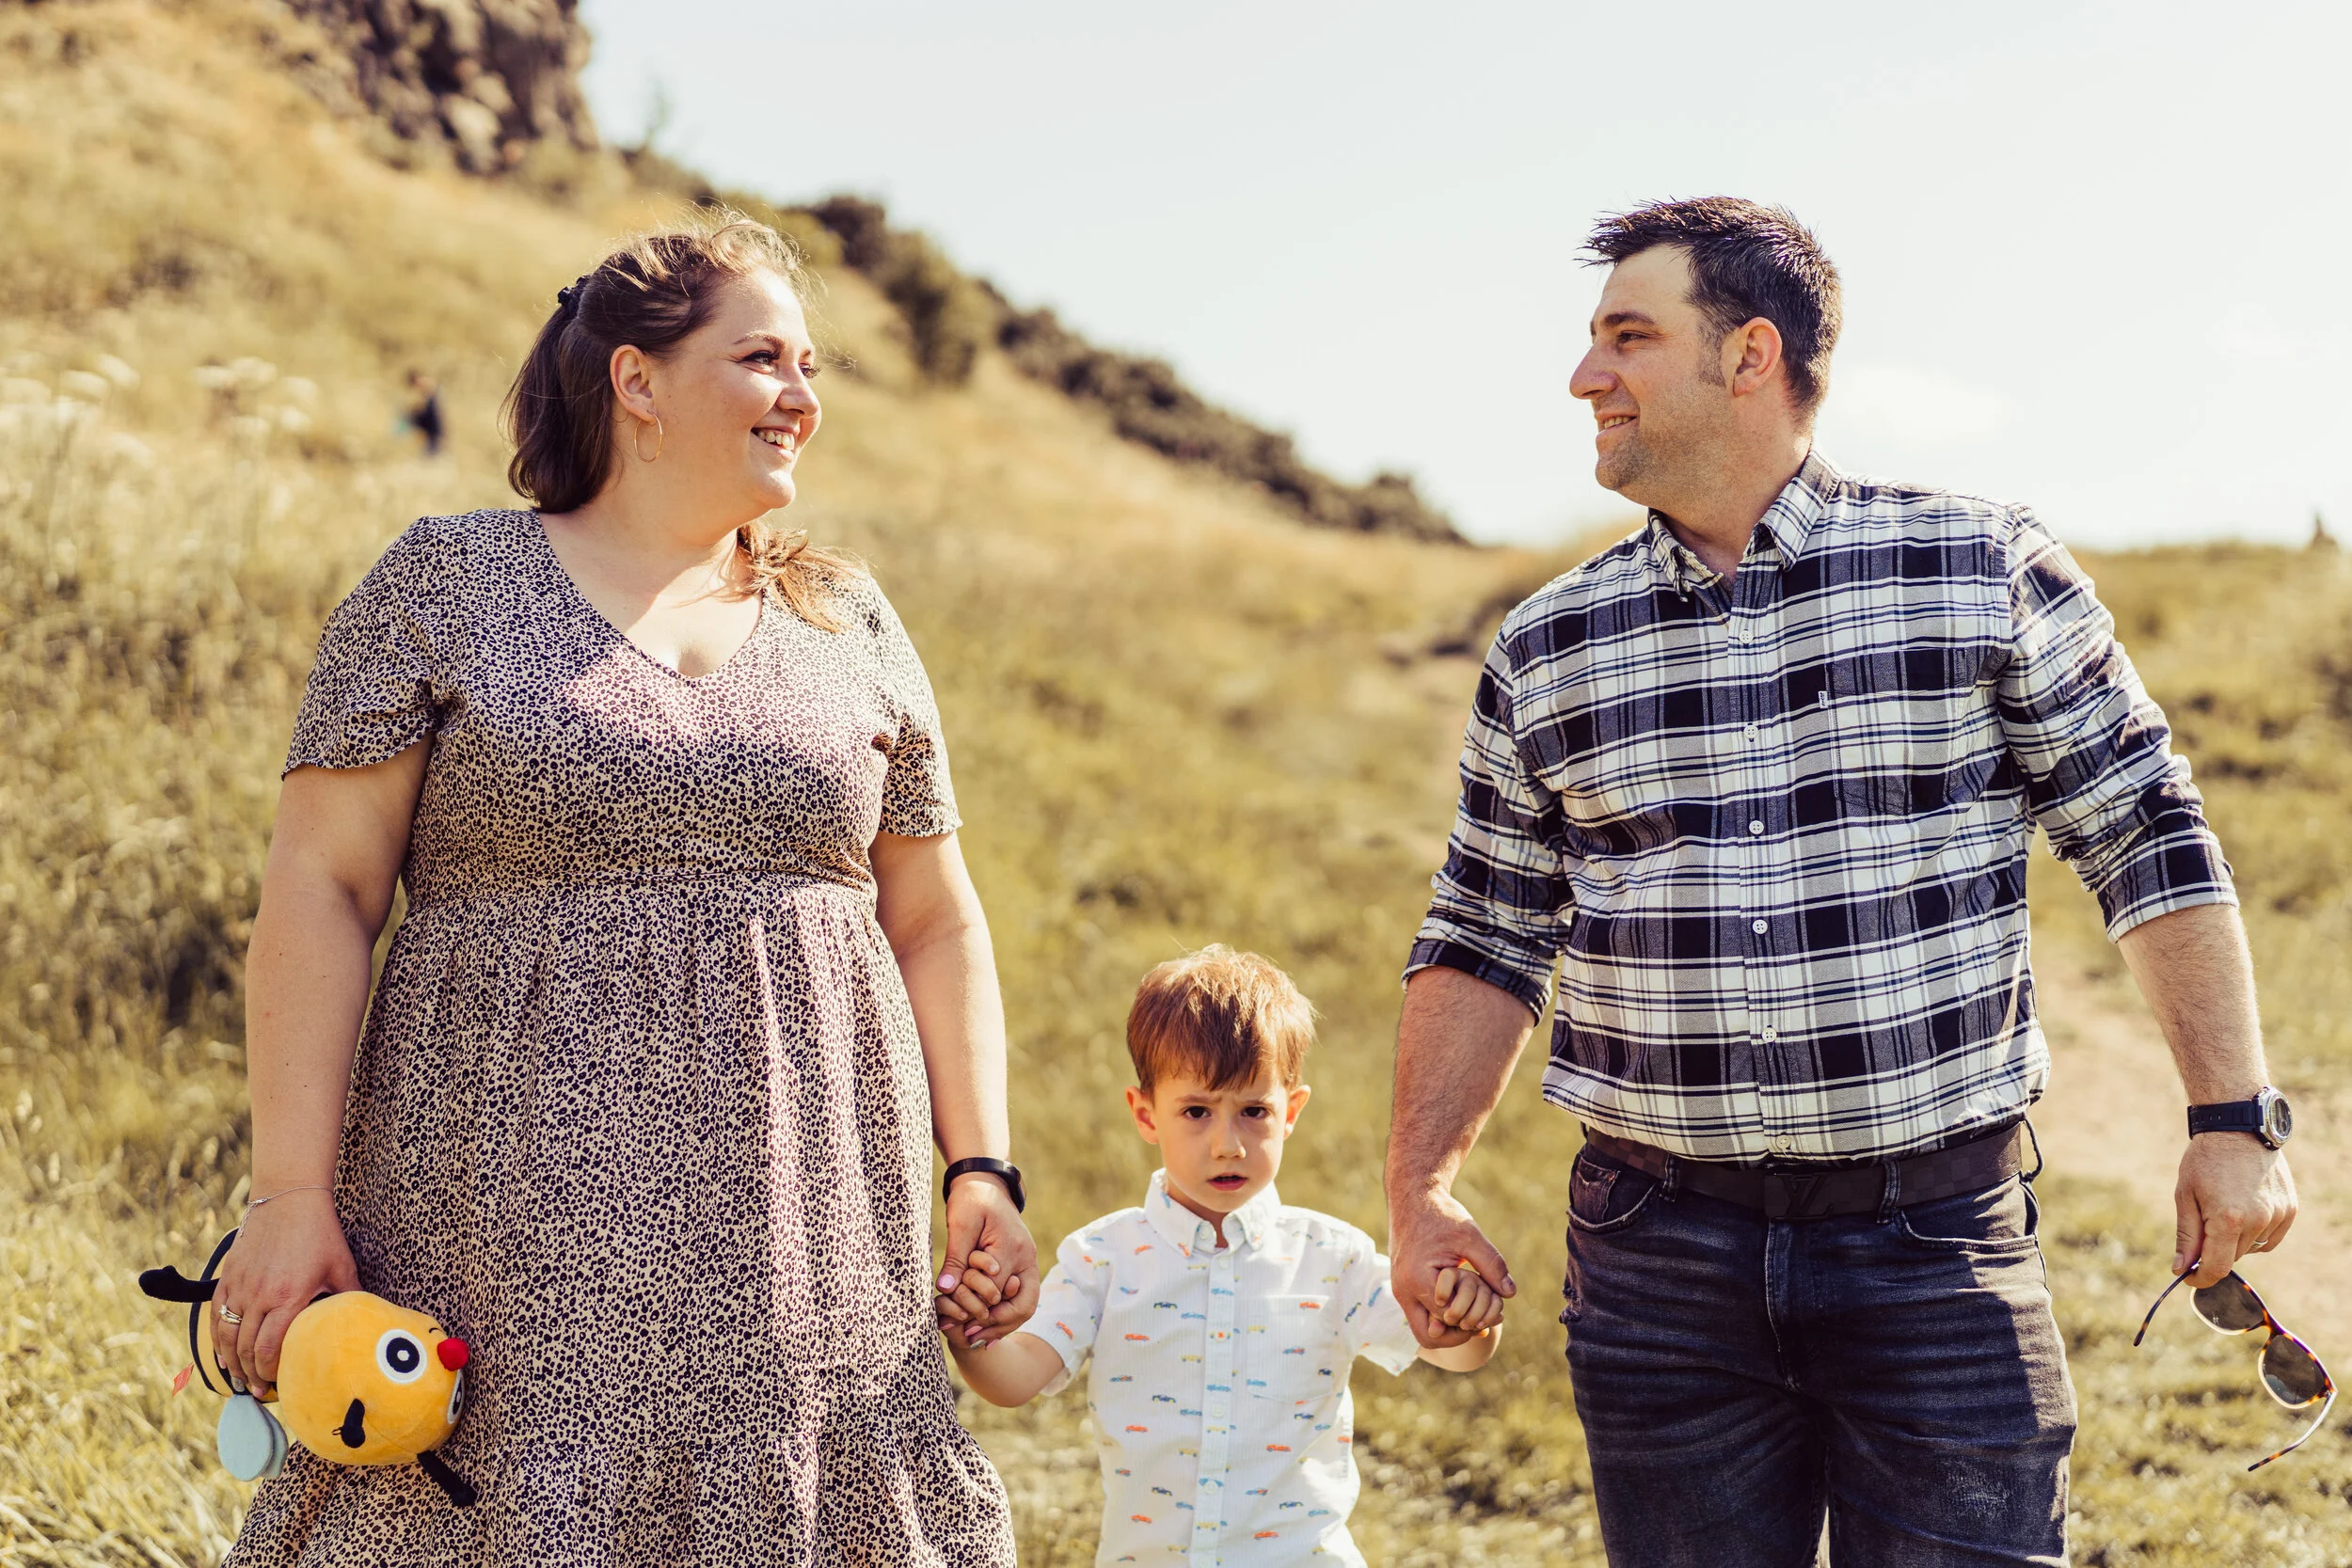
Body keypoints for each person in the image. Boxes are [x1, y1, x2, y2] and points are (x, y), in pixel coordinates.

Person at [1384, 197, 2300, 1566]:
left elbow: (2146, 830)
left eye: (1629, 337)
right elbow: (1486, 924)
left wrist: (2235, 1113)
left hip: (1933, 1243)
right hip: (1656, 1258)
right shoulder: (1547, 645)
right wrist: (1421, 1186)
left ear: (1750, 355)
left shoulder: (1980, 567)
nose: (1586, 377)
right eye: (1590, 343)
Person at [210, 214, 1033, 1563]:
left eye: (810, 363)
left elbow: (936, 918)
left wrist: (981, 1166)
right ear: (636, 380)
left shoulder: (852, 622)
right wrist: (289, 1190)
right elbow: (322, 888)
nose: (804, 396)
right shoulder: (445, 585)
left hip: (810, 1236)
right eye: (763, 357)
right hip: (493, 1231)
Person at [946, 945, 1502, 1566]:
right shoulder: (1102, 1258)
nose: (1227, 1144)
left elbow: (1452, 1347)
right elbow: (1018, 1375)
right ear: (1145, 1112)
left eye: (1253, 1112)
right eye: (1196, 1111)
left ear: (1290, 1112)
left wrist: (1466, 1314)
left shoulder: (1332, 1258)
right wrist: (973, 1333)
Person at [402, 369, 444, 456]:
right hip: (431, 435)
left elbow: (436, 417)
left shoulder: (433, 395)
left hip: (435, 434)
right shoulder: (427, 396)